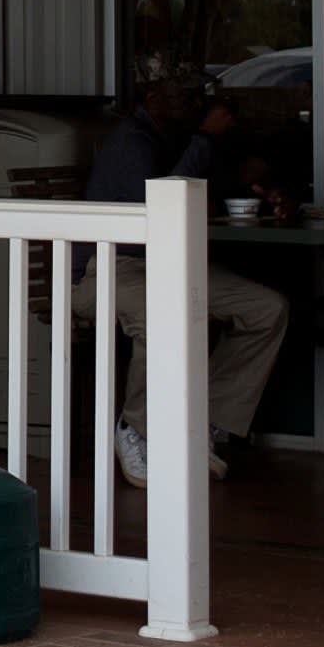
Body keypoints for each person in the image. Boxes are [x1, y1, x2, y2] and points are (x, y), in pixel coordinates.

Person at [83, 69, 289, 484]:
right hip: (108, 267)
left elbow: (212, 186)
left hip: (171, 263)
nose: (195, 106)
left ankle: (197, 427)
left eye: (198, 98)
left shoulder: (173, 136)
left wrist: (259, 193)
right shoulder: (133, 139)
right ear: (154, 96)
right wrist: (206, 137)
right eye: (186, 97)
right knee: (162, 315)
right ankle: (135, 428)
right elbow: (163, 206)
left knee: (267, 309)